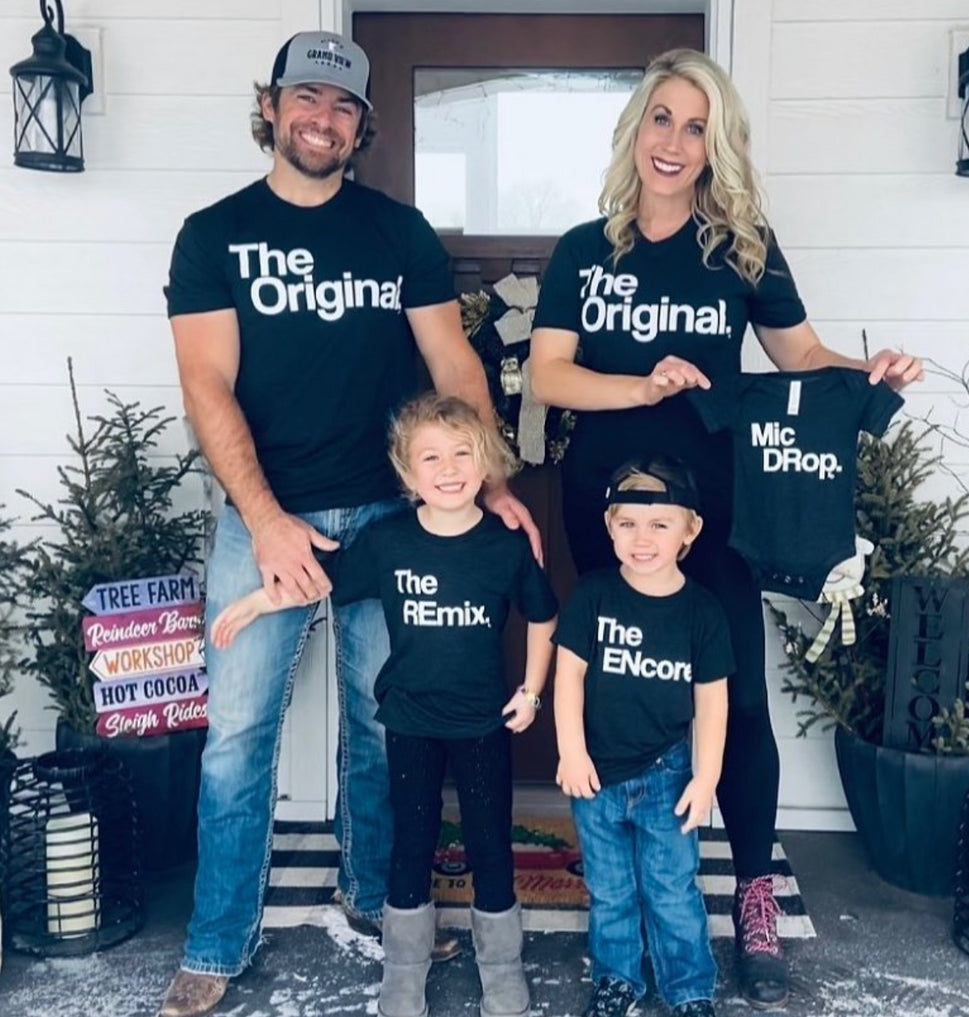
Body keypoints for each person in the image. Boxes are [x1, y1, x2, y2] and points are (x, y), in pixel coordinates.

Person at [529, 47, 924, 1008]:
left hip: (721, 511)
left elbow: (799, 354)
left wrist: (863, 376)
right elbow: (548, 375)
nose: (674, 141)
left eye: (696, 126)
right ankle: (621, 882)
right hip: (608, 505)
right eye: (661, 119)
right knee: (620, 683)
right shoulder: (587, 248)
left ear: (718, 145)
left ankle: (751, 888)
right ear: (636, 131)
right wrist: (645, 382)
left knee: (737, 695)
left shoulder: (743, 247)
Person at [159, 31, 539, 1017]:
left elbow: (455, 368)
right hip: (264, 516)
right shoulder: (212, 236)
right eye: (304, 99)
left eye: (340, 107)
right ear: (273, 107)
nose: (320, 120)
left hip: (390, 512)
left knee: (384, 721)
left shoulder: (397, 232)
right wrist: (267, 521)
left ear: (360, 126)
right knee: (238, 734)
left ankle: (377, 893)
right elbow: (206, 387)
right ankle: (214, 941)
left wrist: (492, 481)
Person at [210, 393, 558, 1017]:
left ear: (486, 466)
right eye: (431, 457)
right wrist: (255, 603)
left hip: (483, 724)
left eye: (462, 454)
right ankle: (404, 966)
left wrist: (531, 691)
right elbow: (318, 580)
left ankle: (501, 964)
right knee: (411, 841)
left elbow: (543, 615)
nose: (448, 468)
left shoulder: (503, 545)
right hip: (410, 722)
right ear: (406, 473)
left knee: (489, 842)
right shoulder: (387, 541)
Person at [554, 457, 731, 1017]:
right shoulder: (592, 595)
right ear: (609, 526)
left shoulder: (702, 611)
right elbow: (569, 676)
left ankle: (689, 987)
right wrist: (571, 750)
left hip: (668, 773)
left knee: (671, 887)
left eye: (659, 525)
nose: (643, 538)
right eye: (628, 523)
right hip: (597, 776)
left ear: (689, 531)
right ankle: (618, 980)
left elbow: (712, 701)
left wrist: (707, 778)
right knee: (609, 890)